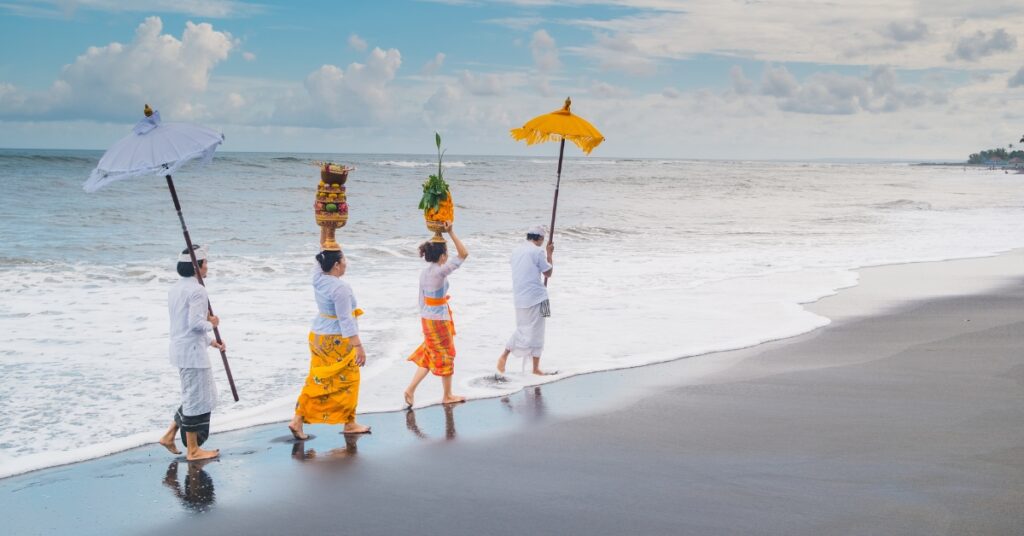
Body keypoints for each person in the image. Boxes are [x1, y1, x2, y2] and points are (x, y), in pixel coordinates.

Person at [287, 249, 371, 439]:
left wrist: (328, 234)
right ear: (336, 265)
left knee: (317, 379)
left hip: (317, 336)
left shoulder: (318, 278)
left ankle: (298, 419)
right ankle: (349, 423)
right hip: (335, 340)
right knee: (350, 380)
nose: (346, 263)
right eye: (344, 260)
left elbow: (323, 254)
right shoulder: (340, 288)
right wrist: (358, 346)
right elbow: (345, 320)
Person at [157, 245, 224, 461]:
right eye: (206, 263)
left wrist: (210, 341)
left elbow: (182, 324)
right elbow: (195, 323)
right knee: (195, 399)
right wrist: (211, 322)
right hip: (192, 353)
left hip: (182, 349)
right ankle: (193, 450)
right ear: (198, 265)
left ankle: (169, 436)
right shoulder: (197, 290)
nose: (207, 267)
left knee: (193, 395)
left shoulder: (175, 288)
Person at [404, 222, 469, 407]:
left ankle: (410, 389)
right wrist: (451, 232)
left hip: (427, 318)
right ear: (442, 256)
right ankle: (447, 395)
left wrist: (425, 316)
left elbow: (421, 299)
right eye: (446, 254)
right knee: (446, 354)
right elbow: (464, 254)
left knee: (429, 354)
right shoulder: (441, 272)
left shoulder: (425, 273)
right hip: (439, 320)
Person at [496, 225, 555, 376]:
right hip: (539, 297)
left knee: (522, 328)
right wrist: (549, 254)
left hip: (519, 298)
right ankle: (534, 367)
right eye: (542, 240)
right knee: (538, 332)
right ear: (539, 239)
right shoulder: (538, 251)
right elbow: (548, 273)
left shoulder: (516, 251)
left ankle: (506, 355)